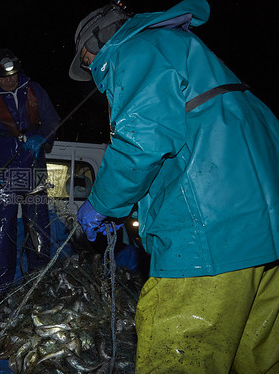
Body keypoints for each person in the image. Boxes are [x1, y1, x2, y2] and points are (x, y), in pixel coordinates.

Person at [69, 0, 279, 372]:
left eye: (86, 60)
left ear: (97, 42)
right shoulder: (188, 51)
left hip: (208, 237)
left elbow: (141, 141)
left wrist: (102, 203)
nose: (90, 69)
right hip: (265, 234)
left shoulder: (134, 51)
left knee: (178, 351)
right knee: (260, 354)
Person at [0, 48, 60, 297]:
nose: (9, 81)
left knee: (39, 227)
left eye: (13, 75)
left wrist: (42, 136)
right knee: (2, 231)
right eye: (3, 77)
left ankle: (38, 289)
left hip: (35, 169)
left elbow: (53, 120)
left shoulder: (35, 89)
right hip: (3, 172)